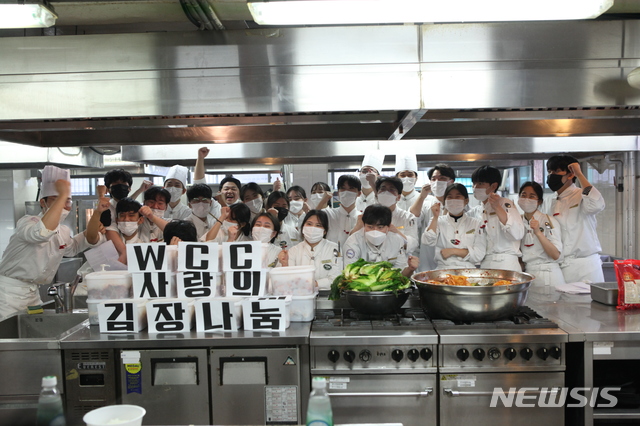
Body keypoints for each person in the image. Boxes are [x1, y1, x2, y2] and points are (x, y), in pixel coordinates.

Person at [0, 166, 108, 319]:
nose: (64, 205)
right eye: (57, 199)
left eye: (68, 201)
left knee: (32, 334)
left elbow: (76, 246)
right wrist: (63, 194)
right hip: (7, 293)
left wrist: (94, 222)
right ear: (42, 203)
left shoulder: (62, 231)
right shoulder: (28, 222)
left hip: (33, 294)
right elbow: (42, 233)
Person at [543, 155, 605, 283]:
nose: (551, 175)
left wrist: (579, 174)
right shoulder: (549, 201)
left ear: (570, 175)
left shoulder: (581, 194)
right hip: (561, 266)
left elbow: (597, 204)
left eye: (556, 171)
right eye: (549, 172)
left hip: (585, 266)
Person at [468, 166, 525, 271]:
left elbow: (517, 233)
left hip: (505, 262)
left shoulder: (504, 203)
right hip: (485, 263)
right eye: (474, 184)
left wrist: (497, 207)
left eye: (480, 183)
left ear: (493, 185)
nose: (475, 187)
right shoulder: (476, 211)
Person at [343, 205, 419, 278]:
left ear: (389, 227)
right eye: (370, 227)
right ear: (364, 224)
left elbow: (401, 274)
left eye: (380, 227)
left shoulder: (396, 241)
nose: (375, 231)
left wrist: (410, 269)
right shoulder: (353, 242)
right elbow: (350, 274)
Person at [423, 183, 486, 270]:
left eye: (458, 197)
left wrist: (453, 251)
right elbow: (427, 241)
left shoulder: (476, 223)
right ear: (445, 201)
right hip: (443, 269)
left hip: (468, 270)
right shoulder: (438, 221)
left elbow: (479, 254)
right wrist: (435, 217)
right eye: (450, 197)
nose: (453, 200)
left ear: (466, 200)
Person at [517, 182, 565, 294]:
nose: (526, 199)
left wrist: (538, 232)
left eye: (532, 196)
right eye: (523, 195)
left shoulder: (548, 221)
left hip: (548, 273)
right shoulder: (518, 222)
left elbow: (555, 255)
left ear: (539, 201)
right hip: (529, 273)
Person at [351, 177, 419, 255]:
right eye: (383, 189)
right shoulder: (366, 215)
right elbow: (353, 241)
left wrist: (397, 232)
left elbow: (413, 244)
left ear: (399, 197)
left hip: (399, 260)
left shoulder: (408, 217)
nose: (386, 193)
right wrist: (358, 227)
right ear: (377, 195)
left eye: (391, 190)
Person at [277, 210, 343, 290]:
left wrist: (315, 284)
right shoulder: (293, 251)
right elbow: (289, 279)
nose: (313, 228)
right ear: (303, 226)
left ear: (325, 231)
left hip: (327, 296)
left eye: (318, 225)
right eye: (309, 224)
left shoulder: (336, 249)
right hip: (300, 296)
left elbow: (336, 278)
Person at [410, 163, 457, 272]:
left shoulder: (459, 203)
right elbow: (412, 218)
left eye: (442, 179)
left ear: (451, 182)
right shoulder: (426, 202)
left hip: (452, 256)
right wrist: (422, 196)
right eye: (433, 179)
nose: (437, 182)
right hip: (428, 255)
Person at [318, 175, 361, 248]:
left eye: (351, 188)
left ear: (359, 193)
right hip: (330, 257)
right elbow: (310, 220)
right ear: (338, 193)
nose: (346, 192)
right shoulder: (328, 214)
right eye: (343, 188)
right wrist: (322, 201)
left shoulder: (362, 218)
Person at [102, 168, 135, 263]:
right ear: (108, 189)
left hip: (133, 254)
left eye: (124, 184)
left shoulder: (136, 208)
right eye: (115, 185)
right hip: (109, 257)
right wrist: (125, 252)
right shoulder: (105, 208)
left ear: (129, 188)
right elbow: (108, 230)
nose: (120, 187)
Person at [192, 146, 222, 218]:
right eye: (226, 189)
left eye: (233, 189)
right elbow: (199, 183)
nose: (229, 191)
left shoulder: (241, 208)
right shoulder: (212, 205)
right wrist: (200, 158)